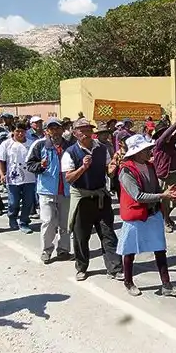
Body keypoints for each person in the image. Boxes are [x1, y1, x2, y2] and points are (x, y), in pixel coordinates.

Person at [116, 134, 176, 297]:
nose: (150, 151)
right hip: (135, 215)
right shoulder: (126, 171)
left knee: (160, 249)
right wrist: (163, 195)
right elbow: (137, 196)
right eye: (147, 149)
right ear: (137, 152)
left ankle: (166, 285)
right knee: (130, 250)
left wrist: (168, 192)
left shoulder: (149, 166)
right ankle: (128, 281)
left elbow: (155, 190)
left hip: (153, 213)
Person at [62, 118, 122, 281]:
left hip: (101, 197)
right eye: (82, 130)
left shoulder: (102, 149)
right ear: (75, 133)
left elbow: (108, 170)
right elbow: (69, 178)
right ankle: (81, 267)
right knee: (81, 236)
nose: (86, 133)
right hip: (82, 199)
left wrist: (112, 169)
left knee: (108, 233)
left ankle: (115, 268)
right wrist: (83, 167)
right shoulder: (70, 152)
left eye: (88, 130)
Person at [26, 118, 74, 264]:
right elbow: (29, 164)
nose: (55, 131)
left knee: (65, 223)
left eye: (57, 128)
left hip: (66, 190)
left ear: (62, 129)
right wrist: (40, 166)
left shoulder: (70, 145)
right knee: (48, 222)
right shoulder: (39, 145)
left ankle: (63, 250)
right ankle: (46, 250)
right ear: (47, 131)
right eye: (52, 129)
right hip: (46, 190)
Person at [0, 122, 36, 233]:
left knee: (28, 202)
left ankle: (24, 222)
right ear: (13, 131)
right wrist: (2, 174)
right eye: (17, 131)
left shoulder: (32, 144)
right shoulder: (6, 144)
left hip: (30, 178)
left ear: (26, 132)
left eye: (22, 131)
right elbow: (0, 160)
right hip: (13, 179)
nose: (20, 134)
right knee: (13, 202)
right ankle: (12, 218)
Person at [152, 112, 176, 233]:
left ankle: (166, 216)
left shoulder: (170, 143)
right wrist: (175, 124)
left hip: (174, 174)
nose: (167, 135)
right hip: (164, 176)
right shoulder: (158, 144)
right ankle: (165, 220)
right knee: (166, 201)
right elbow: (163, 137)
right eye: (164, 133)